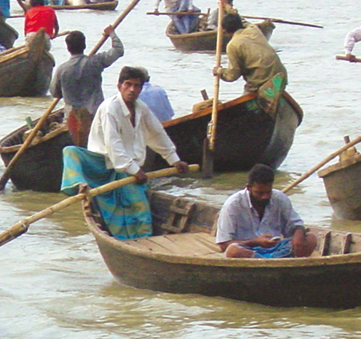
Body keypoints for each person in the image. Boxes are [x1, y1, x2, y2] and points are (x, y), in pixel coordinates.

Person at [61, 66, 189, 240]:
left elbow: (156, 133)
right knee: (70, 152)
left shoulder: (141, 108)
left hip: (125, 168)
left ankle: (144, 240)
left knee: (138, 207)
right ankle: (81, 185)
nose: (132, 90)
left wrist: (174, 160)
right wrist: (134, 170)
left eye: (137, 86)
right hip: (104, 165)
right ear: (119, 86)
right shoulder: (110, 109)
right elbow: (114, 145)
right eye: (128, 84)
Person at [215, 164, 316, 258]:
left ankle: (272, 260)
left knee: (310, 239)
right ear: (248, 188)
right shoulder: (233, 204)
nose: (265, 197)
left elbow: (297, 224)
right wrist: (255, 242)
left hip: (277, 249)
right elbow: (224, 244)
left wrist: (298, 235)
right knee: (233, 250)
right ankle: (272, 261)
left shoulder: (280, 198)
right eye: (259, 193)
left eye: (268, 192)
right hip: (248, 250)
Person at [49, 28, 123, 146]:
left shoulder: (61, 70)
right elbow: (118, 50)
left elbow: (54, 93)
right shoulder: (95, 62)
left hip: (72, 119)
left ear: (68, 48)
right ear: (84, 45)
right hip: (96, 116)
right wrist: (112, 34)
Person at [215, 13, 290, 96]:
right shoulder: (253, 29)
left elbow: (232, 75)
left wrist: (219, 71)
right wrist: (228, 7)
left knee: (246, 97)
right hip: (280, 75)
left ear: (225, 32)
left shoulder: (233, 45)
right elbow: (243, 20)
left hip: (260, 82)